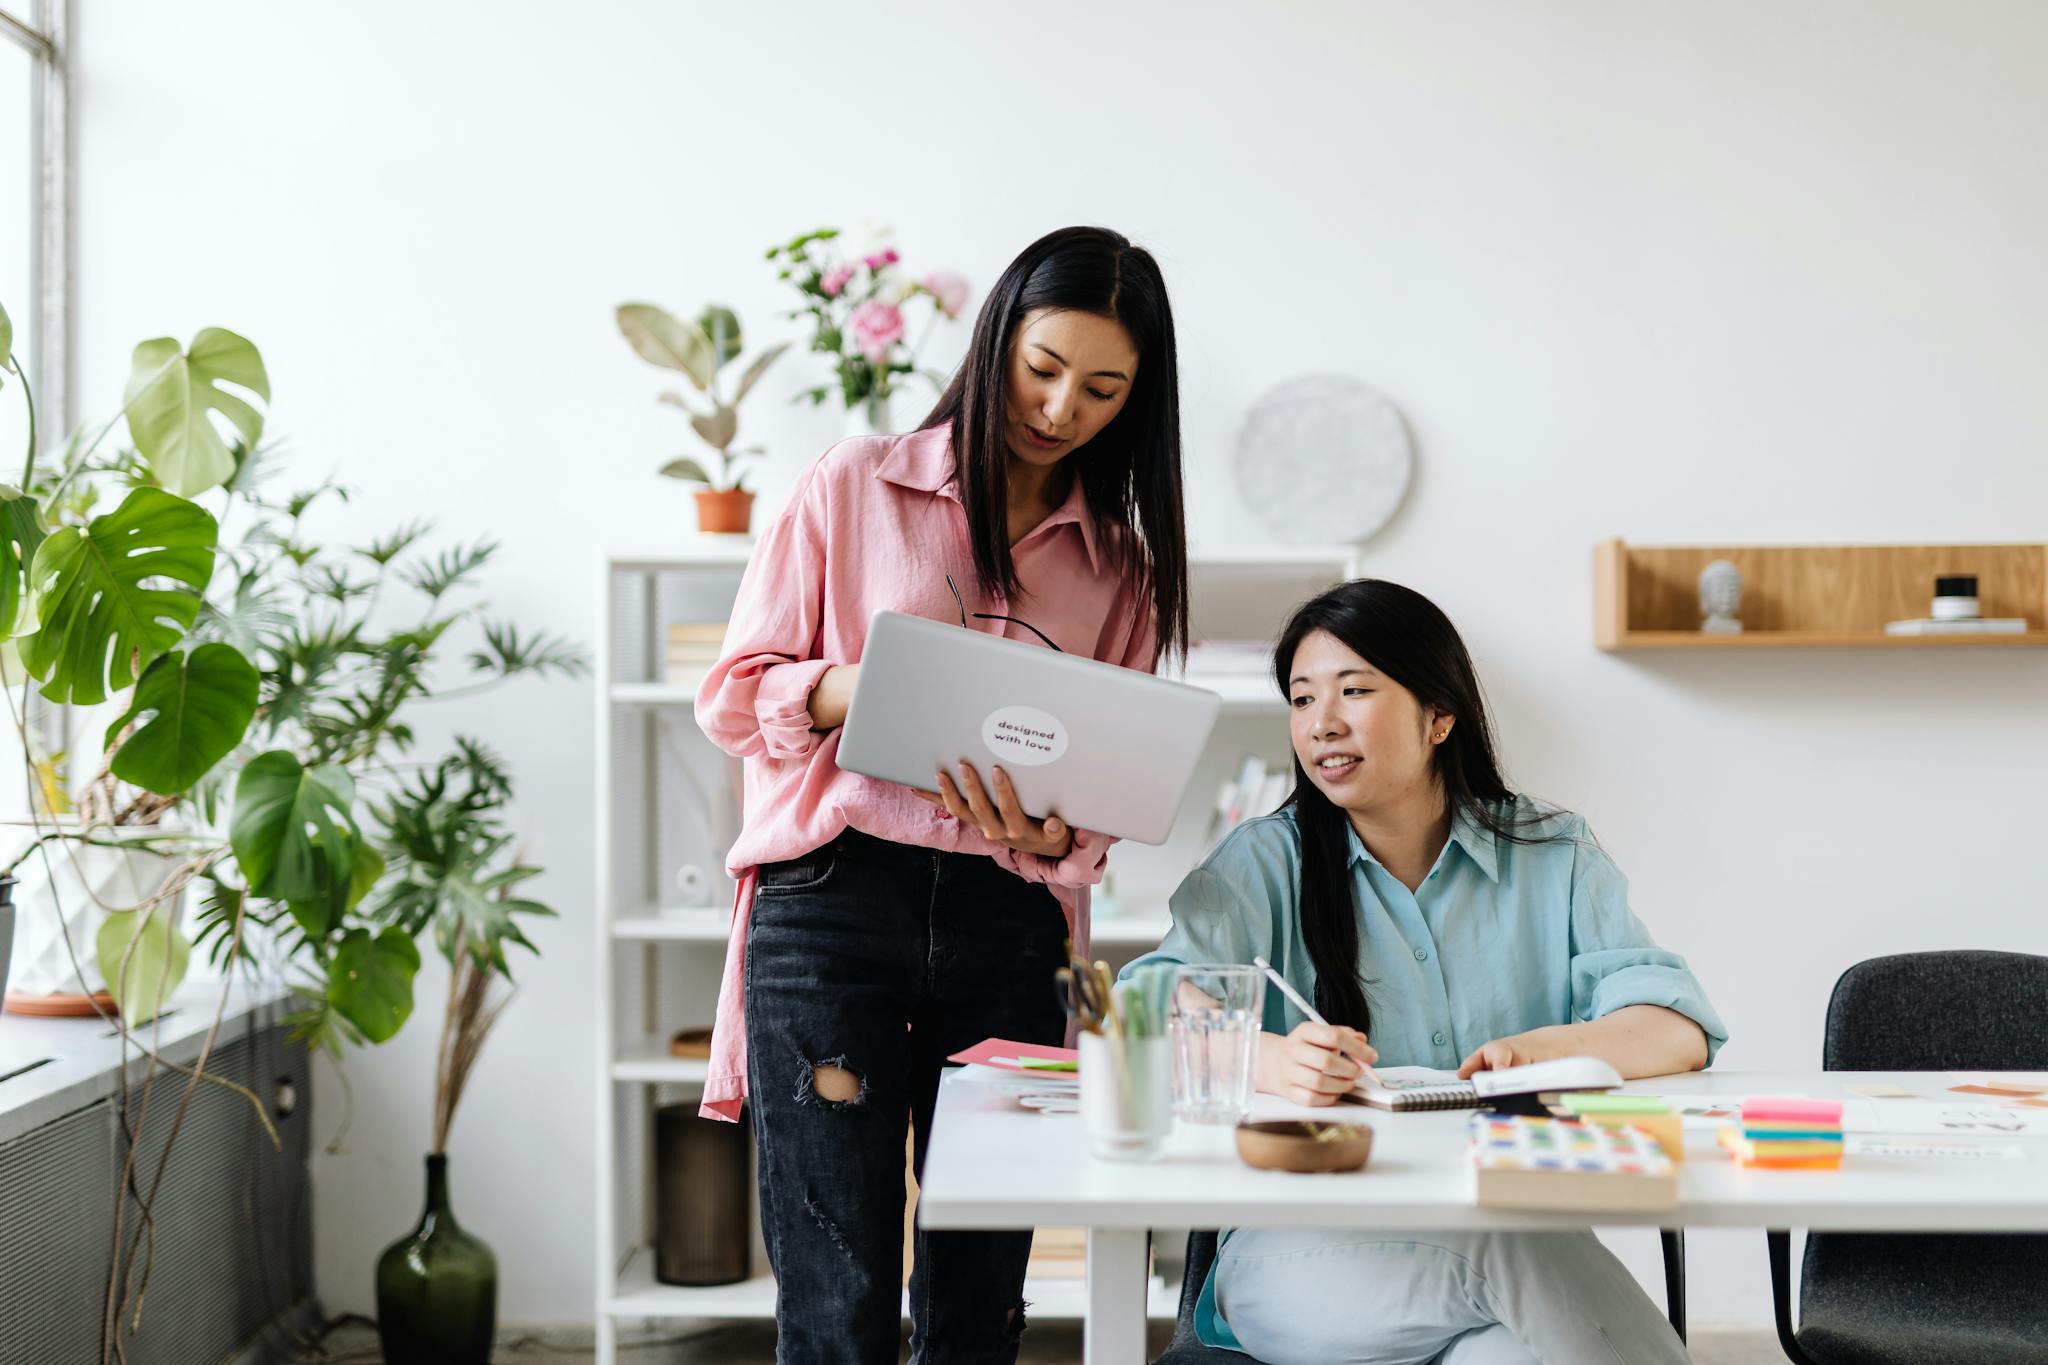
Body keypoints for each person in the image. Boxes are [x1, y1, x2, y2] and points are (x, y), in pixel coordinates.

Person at [695, 225, 1190, 1364]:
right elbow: (730, 700)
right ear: (996, 341)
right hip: (829, 906)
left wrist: (1054, 829)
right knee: (838, 1296)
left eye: (1103, 388)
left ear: (1136, 402)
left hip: (1008, 926)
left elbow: (1103, 798)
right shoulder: (851, 483)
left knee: (978, 1308)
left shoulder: (1123, 568)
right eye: (1043, 367)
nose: (1062, 407)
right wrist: (850, 691)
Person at [1125, 578, 1724, 1365]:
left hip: (1509, 1251)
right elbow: (1138, 1003)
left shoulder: (1551, 852)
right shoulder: (1266, 861)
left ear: (1439, 715)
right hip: (1302, 1259)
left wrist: (1546, 1050)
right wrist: (1270, 1057)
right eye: (1302, 699)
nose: (1321, 723)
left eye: (1353, 690)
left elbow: (1675, 1023)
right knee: (1502, 1247)